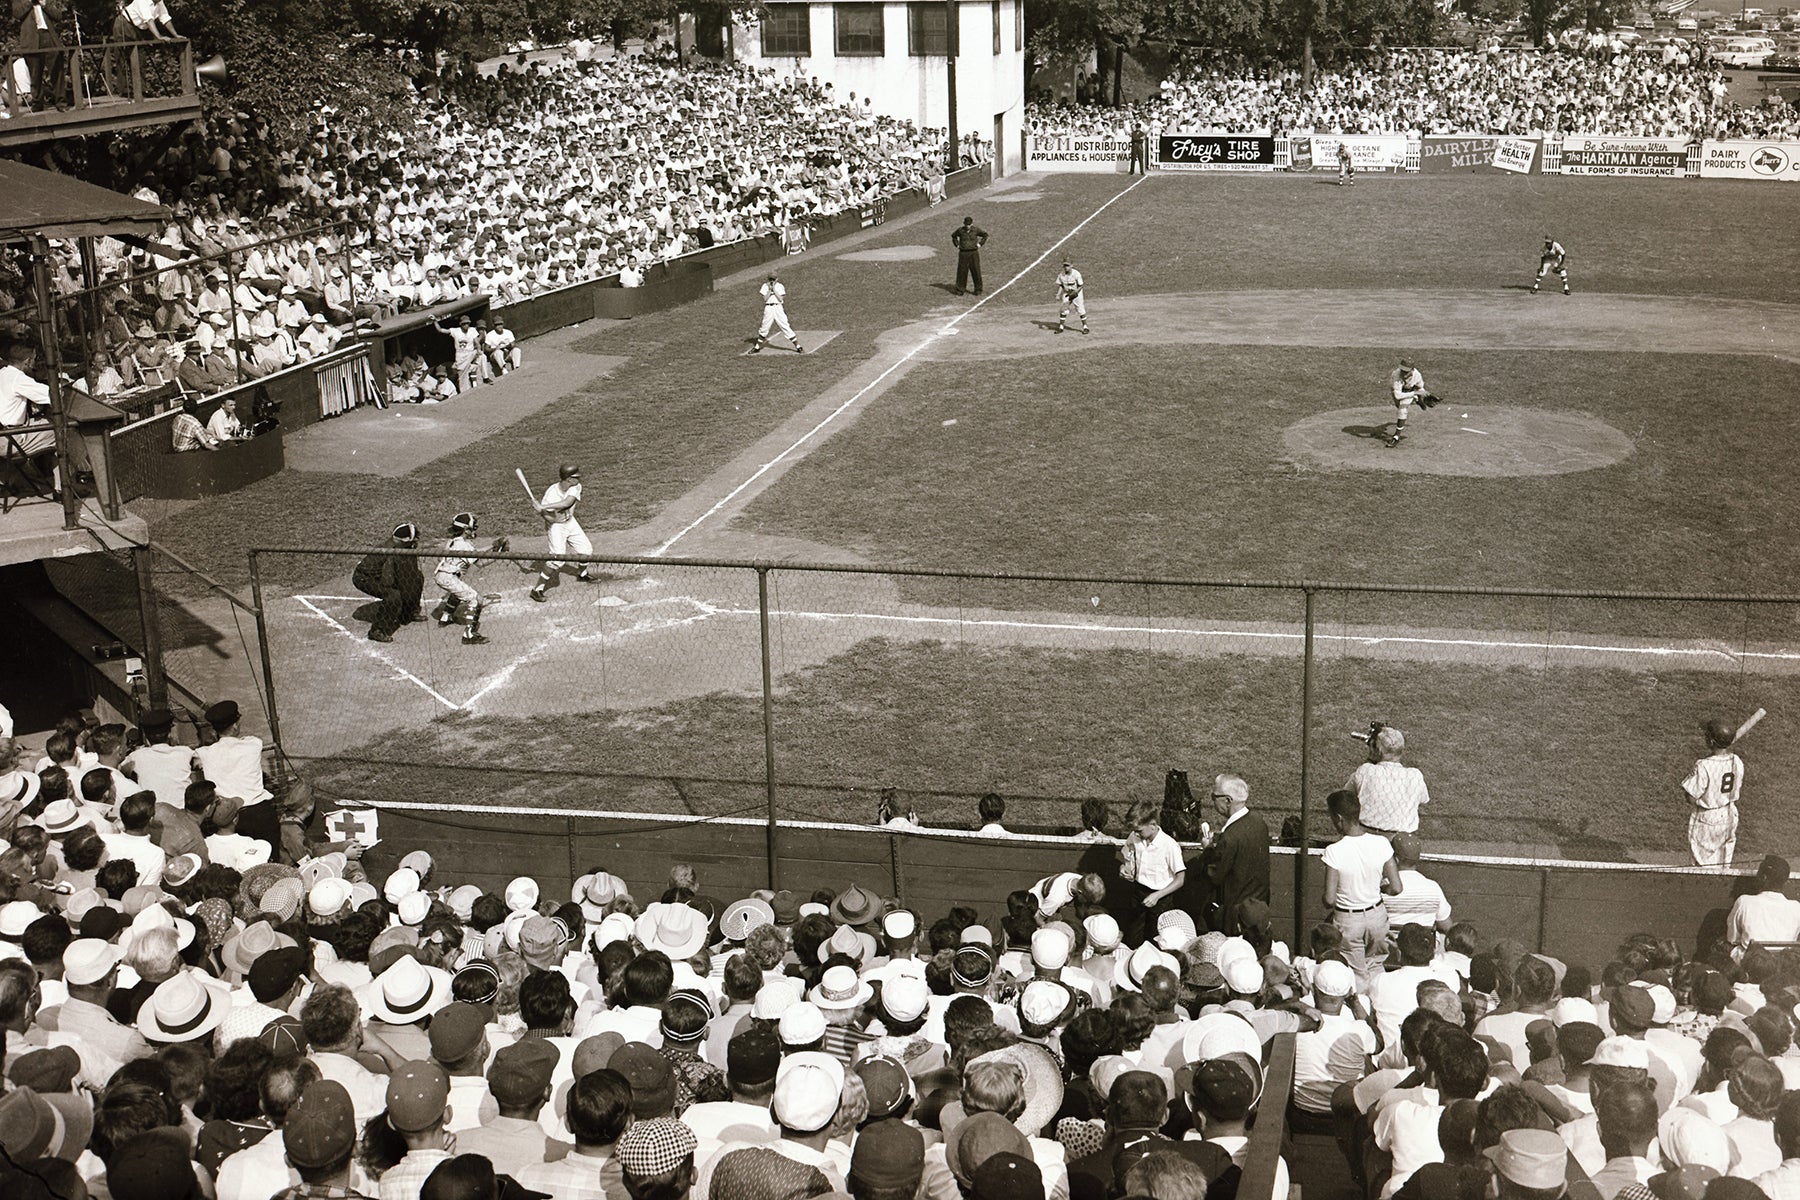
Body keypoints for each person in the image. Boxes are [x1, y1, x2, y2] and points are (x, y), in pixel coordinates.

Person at [1321, 788, 1401, 993]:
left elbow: (1329, 899)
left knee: (1356, 974)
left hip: (1349, 920)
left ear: (1339, 819)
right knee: (1376, 968)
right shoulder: (1381, 843)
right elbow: (1396, 887)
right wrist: (1380, 888)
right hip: (1377, 916)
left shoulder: (1334, 851)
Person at [1201, 774, 1270, 935]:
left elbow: (1214, 875)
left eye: (1214, 797)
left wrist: (1207, 850)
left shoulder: (1230, 836)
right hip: (1258, 909)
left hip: (1235, 917)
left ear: (1227, 800)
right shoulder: (1259, 822)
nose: (1212, 801)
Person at [1114, 801, 1186, 945]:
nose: (1136, 833)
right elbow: (1127, 858)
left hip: (1161, 898)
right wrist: (1123, 869)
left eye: (1139, 830)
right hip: (1139, 893)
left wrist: (1157, 895)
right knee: (1133, 938)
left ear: (1153, 825)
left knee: (1156, 939)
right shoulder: (1134, 837)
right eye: (1134, 830)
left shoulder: (1169, 845)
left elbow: (1180, 879)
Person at [529, 463, 603, 602]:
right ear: (569, 479)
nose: (579, 479)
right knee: (557, 560)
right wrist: (542, 512)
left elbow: (567, 503)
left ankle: (582, 574)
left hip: (570, 522)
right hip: (556, 527)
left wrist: (543, 506)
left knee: (586, 550)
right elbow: (549, 518)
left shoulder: (576, 486)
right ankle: (537, 590)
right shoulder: (551, 494)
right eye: (576, 477)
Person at [431, 512, 504, 647]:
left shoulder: (454, 541)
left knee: (458, 591)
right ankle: (469, 635)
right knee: (476, 600)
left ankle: (446, 617)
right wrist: (499, 554)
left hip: (442, 575)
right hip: (448, 577)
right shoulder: (464, 546)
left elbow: (474, 551)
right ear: (466, 529)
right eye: (472, 527)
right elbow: (480, 563)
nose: (474, 529)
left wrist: (492, 546)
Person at [1344, 725, 1431, 835]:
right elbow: (1424, 799)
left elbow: (1347, 795)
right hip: (1403, 840)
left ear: (1378, 751)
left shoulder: (1366, 771)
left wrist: (1371, 757)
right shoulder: (1415, 775)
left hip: (1370, 837)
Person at [1682, 717, 1744, 867]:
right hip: (1729, 814)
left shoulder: (1704, 765)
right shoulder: (1737, 761)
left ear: (1710, 742)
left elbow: (1691, 797)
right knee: (1723, 864)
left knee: (1700, 864)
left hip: (1707, 819)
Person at [352, 522, 425, 643]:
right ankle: (377, 630)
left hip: (381, 575)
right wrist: (404, 592)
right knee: (393, 595)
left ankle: (407, 614)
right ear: (405, 540)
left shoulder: (401, 547)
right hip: (364, 579)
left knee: (417, 577)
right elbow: (388, 580)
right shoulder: (391, 552)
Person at [1383, 360, 1440, 450]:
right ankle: (1416, 399)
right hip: (1397, 390)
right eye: (1402, 370)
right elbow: (1397, 395)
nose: (1403, 373)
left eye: (1406, 371)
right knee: (1398, 405)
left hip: (1410, 389)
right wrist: (1416, 393)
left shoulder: (1417, 375)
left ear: (1412, 370)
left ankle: (1396, 437)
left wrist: (1427, 395)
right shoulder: (1396, 375)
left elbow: (1420, 388)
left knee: (1402, 409)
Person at [752, 270, 803, 354]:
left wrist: (774, 290)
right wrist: (770, 290)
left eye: (773, 279)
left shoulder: (780, 286)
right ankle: (757, 347)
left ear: (777, 279)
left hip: (778, 307)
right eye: (770, 279)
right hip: (768, 308)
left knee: (785, 326)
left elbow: (780, 299)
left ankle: (798, 346)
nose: (772, 281)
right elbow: (765, 299)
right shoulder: (765, 286)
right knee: (764, 327)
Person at [432, 314, 484, 393]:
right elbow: (440, 330)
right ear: (460, 324)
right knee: (463, 378)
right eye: (464, 324)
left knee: (482, 356)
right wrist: (435, 321)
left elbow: (477, 342)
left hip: (470, 354)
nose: (466, 325)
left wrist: (479, 349)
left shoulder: (472, 330)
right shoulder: (456, 331)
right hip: (461, 357)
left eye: (467, 323)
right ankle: (466, 392)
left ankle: (484, 379)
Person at [952, 216, 988, 296]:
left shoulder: (976, 230)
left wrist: (980, 244)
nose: (967, 226)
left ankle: (978, 289)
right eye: (966, 224)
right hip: (963, 253)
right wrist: (957, 245)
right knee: (962, 271)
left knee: (976, 270)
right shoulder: (960, 230)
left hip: (973, 253)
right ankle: (960, 289)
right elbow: (954, 236)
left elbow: (985, 235)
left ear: (971, 224)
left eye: (968, 225)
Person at [1055, 259, 1089, 335]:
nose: (1066, 267)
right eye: (1064, 265)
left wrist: (1075, 293)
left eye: (1067, 265)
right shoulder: (1061, 275)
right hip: (1067, 293)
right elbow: (1061, 285)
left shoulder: (1076, 274)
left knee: (1080, 309)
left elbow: (1080, 285)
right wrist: (1058, 294)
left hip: (1077, 293)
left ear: (1071, 266)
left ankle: (1085, 327)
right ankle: (1061, 327)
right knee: (1063, 309)